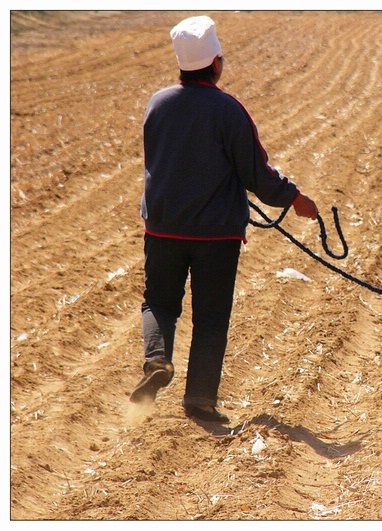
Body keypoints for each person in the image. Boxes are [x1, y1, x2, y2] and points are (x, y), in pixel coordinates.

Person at [129, 15, 319, 423]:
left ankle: (158, 360)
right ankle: (199, 399)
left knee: (160, 304)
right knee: (211, 317)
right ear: (216, 62)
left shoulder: (157, 103)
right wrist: (295, 198)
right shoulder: (229, 110)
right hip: (216, 235)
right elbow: (256, 176)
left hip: (162, 227)